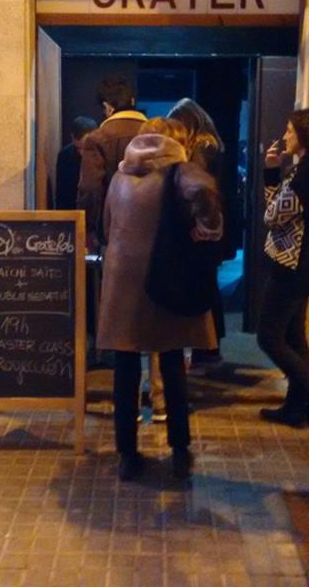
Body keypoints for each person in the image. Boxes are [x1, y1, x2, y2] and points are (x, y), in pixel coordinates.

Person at [97, 118, 223, 481]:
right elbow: (204, 191)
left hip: (123, 281)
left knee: (125, 369)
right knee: (171, 363)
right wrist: (207, 229)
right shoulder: (179, 171)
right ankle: (179, 450)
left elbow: (107, 226)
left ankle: (127, 454)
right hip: (164, 277)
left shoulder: (120, 175)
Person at [257, 108, 309, 428]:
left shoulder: (307, 174)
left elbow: (272, 216)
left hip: (291, 267)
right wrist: (275, 173)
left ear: (304, 134)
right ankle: (295, 407)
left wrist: (270, 174)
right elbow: (280, 209)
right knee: (294, 337)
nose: (285, 136)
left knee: (269, 337)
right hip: (305, 267)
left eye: (290, 131)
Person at [168, 97, 227, 369]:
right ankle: (209, 348)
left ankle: (208, 349)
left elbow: (198, 189)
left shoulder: (203, 148)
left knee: (204, 288)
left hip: (202, 227)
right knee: (208, 285)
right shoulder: (212, 145)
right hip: (210, 225)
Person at [77, 76, 146, 251]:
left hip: (114, 229)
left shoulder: (98, 138)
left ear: (107, 107)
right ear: (132, 101)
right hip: (152, 228)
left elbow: (90, 188)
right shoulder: (157, 134)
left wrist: (89, 227)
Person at [55, 116, 98, 210]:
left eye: (86, 149)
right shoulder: (65, 156)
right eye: (78, 148)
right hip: (71, 208)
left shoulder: (101, 154)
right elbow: (61, 193)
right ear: (72, 138)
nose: (82, 153)